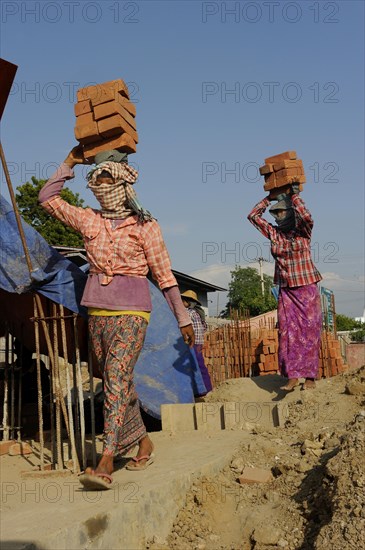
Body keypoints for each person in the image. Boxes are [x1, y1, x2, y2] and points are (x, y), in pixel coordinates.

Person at [39, 145, 194, 489]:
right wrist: (70, 163)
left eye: (108, 179)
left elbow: (165, 276)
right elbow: (47, 198)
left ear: (124, 184)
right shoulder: (88, 218)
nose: (102, 186)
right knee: (117, 382)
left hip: (132, 312)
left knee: (115, 375)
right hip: (96, 311)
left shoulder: (146, 226)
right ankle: (143, 442)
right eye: (97, 181)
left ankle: (106, 458)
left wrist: (182, 318)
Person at [247, 183, 322, 391]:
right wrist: (269, 199)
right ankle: (292, 376)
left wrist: (294, 196)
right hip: (286, 289)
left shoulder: (302, 232)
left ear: (290, 213)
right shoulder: (274, 233)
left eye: (281, 212)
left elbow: (307, 217)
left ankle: (310, 377)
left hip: (306, 287)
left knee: (309, 332)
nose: (278, 217)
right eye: (275, 213)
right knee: (288, 332)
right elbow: (252, 216)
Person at [180, 290, 212, 397]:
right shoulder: (199, 313)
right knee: (199, 365)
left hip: (193, 343)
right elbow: (204, 327)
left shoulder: (189, 313)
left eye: (183, 301)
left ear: (188, 302)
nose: (181, 303)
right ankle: (205, 389)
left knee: (197, 366)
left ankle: (205, 390)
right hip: (198, 343)